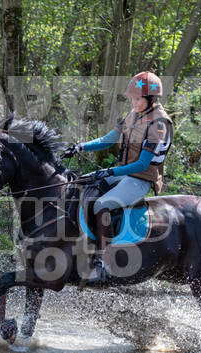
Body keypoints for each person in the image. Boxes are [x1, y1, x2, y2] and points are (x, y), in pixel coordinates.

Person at [62, 71, 174, 283]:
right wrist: (80, 147)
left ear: (151, 99)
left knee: (102, 204)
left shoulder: (159, 124)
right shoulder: (133, 115)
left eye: (137, 98)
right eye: (131, 98)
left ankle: (102, 262)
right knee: (78, 185)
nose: (133, 102)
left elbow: (141, 164)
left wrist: (110, 171)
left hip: (140, 179)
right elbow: (107, 140)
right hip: (123, 174)